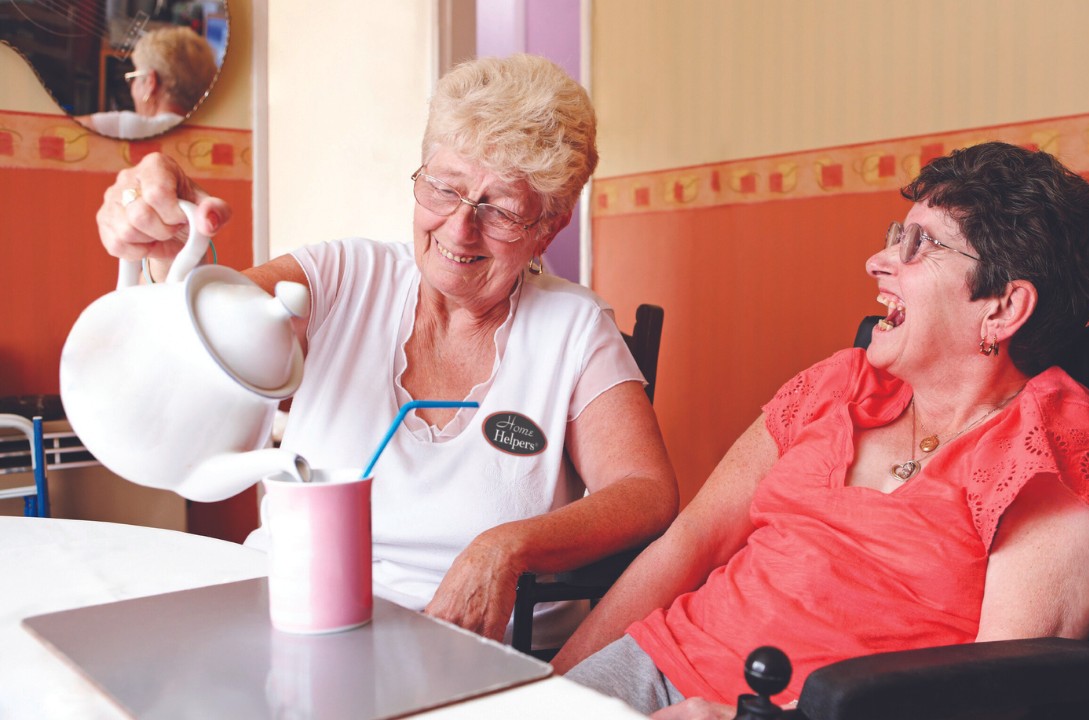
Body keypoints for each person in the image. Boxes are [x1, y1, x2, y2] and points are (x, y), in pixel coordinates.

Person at [94, 54, 679, 651]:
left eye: (500, 209)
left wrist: (507, 546)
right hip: (296, 619)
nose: (458, 230)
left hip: (476, 653)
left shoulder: (573, 328)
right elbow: (207, 335)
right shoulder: (340, 275)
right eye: (444, 189)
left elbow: (644, 489)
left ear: (548, 227)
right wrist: (167, 247)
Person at [555, 142, 1089, 717]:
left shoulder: (1053, 443)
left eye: (920, 244)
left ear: (1003, 309)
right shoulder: (840, 382)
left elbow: (996, 693)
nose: (877, 262)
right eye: (896, 235)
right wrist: (551, 685)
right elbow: (692, 541)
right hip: (657, 660)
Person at [79, 26, 218, 139]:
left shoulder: (130, 128)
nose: (132, 86)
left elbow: (62, 129)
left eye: (135, 77)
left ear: (151, 82)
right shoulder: (212, 135)